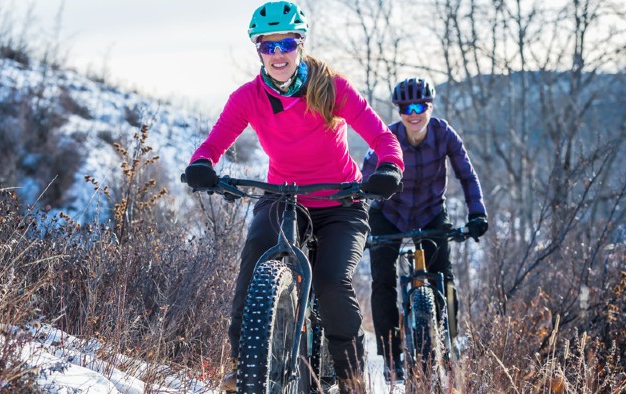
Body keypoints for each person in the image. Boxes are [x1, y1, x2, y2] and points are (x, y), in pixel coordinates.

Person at [182, 2, 404, 392]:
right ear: (259, 52)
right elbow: (213, 143)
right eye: (268, 46)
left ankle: (353, 380)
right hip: (284, 198)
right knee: (254, 265)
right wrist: (202, 163)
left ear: (299, 44)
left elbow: (384, 137)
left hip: (341, 203)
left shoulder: (332, 87)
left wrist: (388, 168)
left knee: (332, 283)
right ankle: (244, 365)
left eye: (285, 43)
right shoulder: (248, 97)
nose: (278, 54)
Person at [361, 77, 488, 383]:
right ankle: (391, 356)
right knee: (383, 281)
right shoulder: (388, 137)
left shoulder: (444, 134)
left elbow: (466, 175)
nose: (413, 113)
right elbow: (365, 176)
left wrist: (477, 213)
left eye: (420, 106)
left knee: (444, 275)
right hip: (389, 214)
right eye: (406, 108)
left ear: (430, 107)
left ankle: (448, 341)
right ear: (399, 110)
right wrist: (358, 212)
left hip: (431, 211)